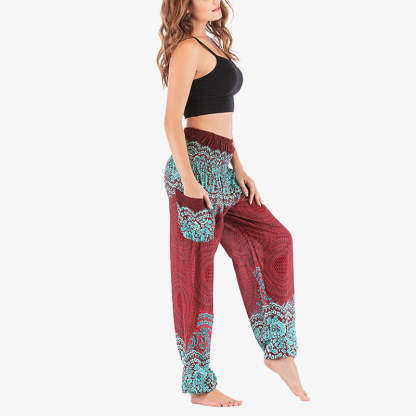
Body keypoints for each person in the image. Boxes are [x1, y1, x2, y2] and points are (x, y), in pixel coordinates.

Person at [157, 0, 309, 407]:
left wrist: (239, 168)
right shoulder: (186, 49)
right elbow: (173, 121)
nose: (214, 0)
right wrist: (190, 182)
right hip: (194, 171)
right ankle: (199, 385)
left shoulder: (212, 44)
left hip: (223, 169)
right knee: (195, 277)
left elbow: (221, 117)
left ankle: (278, 352)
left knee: (277, 240)